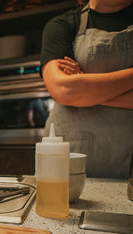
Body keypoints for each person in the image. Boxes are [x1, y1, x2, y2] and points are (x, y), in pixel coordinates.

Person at [41, 0, 133, 179]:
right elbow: (64, 91)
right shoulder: (62, 25)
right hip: (66, 168)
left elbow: (72, 93)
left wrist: (83, 89)